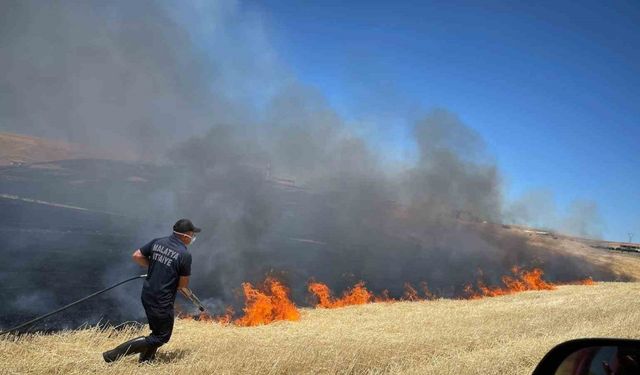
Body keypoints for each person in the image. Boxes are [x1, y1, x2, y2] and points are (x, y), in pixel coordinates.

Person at [103, 218, 201, 363]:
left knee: (156, 332)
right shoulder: (184, 254)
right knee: (161, 337)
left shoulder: (158, 242)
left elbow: (137, 255)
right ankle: (113, 355)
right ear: (185, 235)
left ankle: (146, 361)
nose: (192, 238)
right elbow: (182, 285)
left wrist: (155, 267)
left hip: (148, 294)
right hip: (162, 300)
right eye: (192, 234)